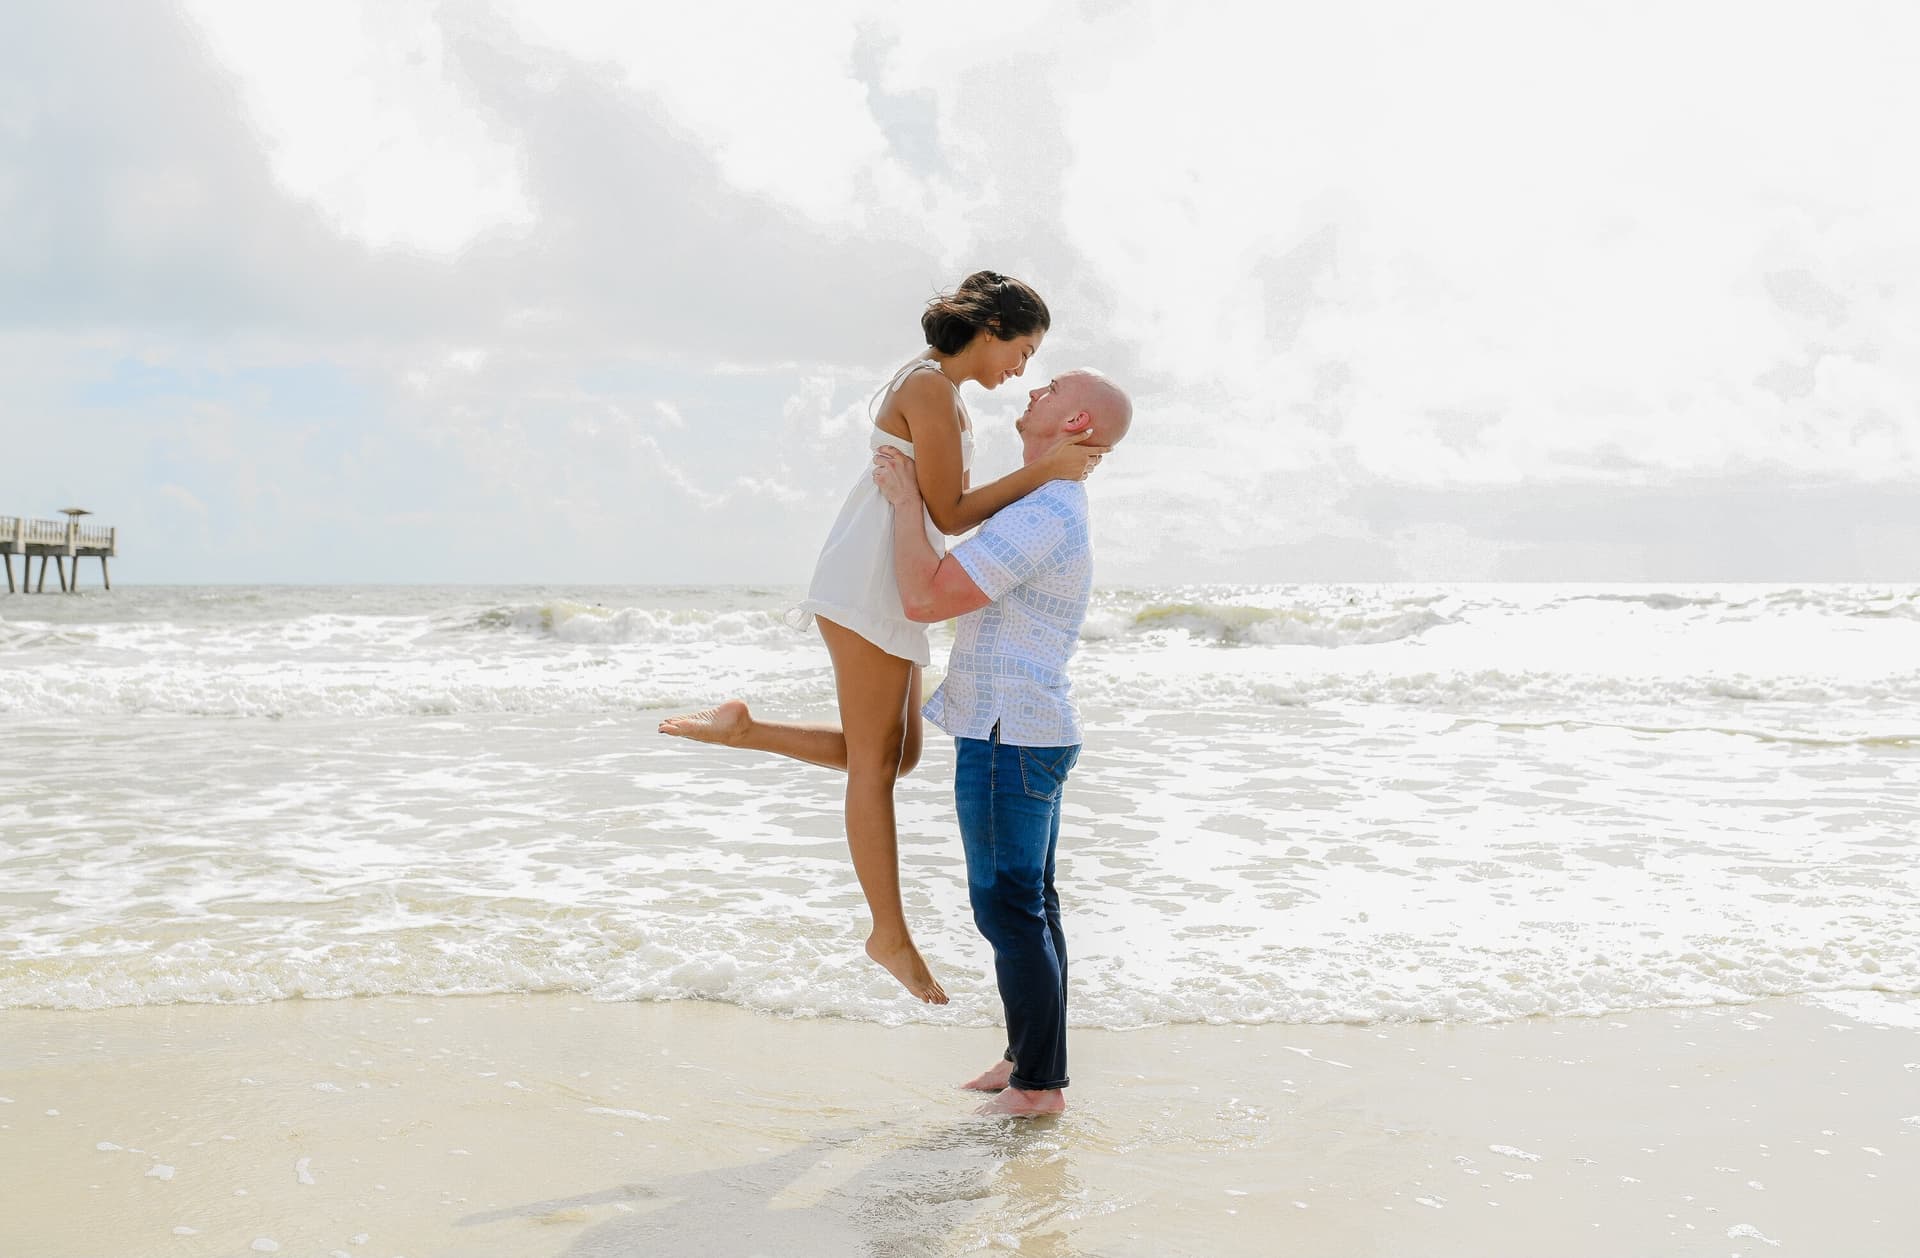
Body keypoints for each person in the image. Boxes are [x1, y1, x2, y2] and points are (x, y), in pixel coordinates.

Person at [657, 272, 1107, 1005]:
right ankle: (887, 934)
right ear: (989, 327)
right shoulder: (928, 386)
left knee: (899, 756)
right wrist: (1049, 471)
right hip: (867, 579)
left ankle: (745, 729)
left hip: (892, 581)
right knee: (874, 764)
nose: (1022, 370)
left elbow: (941, 510)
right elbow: (953, 512)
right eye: (1022, 350)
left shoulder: (945, 394)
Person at [872, 368, 1132, 1117]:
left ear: (1076, 420)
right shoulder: (1041, 500)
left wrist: (900, 505)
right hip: (1023, 727)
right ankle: (1029, 1059)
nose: (1032, 390)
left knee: (1007, 909)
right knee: (1031, 907)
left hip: (1008, 731)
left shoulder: (1045, 512)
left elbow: (927, 597)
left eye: (1050, 387)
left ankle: (1038, 1088)